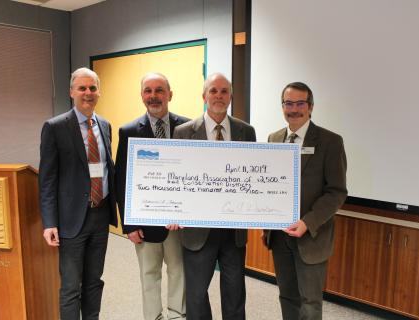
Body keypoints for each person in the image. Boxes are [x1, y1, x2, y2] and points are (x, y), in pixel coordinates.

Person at [172, 73, 256, 320]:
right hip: (197, 229)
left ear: (230, 96)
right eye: (213, 91)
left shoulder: (246, 131)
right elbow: (177, 178)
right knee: (196, 295)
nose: (219, 96)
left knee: (234, 292)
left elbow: (253, 177)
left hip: (233, 229)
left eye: (224, 91)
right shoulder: (184, 132)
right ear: (204, 96)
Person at [39, 67, 118, 320]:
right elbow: (47, 179)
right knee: (71, 286)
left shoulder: (105, 125)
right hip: (71, 219)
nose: (87, 93)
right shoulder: (55, 127)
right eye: (82, 88)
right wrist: (49, 222)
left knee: (94, 281)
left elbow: (107, 169)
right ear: (72, 91)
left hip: (100, 215)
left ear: (99, 92)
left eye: (92, 88)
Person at [264, 82, 347, 319]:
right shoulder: (274, 138)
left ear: (310, 107)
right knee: (287, 296)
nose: (294, 109)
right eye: (288, 104)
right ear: (282, 107)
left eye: (300, 103)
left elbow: (336, 192)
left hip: (311, 236)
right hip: (280, 236)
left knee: (310, 302)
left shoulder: (330, 142)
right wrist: (266, 224)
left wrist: (307, 223)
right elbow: (269, 185)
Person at [115, 73, 189, 320]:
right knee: (149, 274)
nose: (154, 96)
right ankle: (153, 317)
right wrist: (129, 225)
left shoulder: (188, 128)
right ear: (142, 96)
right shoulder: (128, 131)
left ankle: (178, 315)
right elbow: (121, 180)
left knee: (179, 272)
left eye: (159, 90)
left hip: (179, 221)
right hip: (144, 222)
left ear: (170, 94)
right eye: (148, 91)